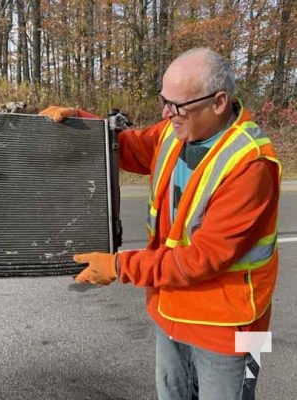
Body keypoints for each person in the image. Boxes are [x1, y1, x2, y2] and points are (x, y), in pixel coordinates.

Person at [39, 47, 281, 400]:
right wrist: (83, 123)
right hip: (171, 308)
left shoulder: (251, 164)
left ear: (219, 102)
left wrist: (119, 266)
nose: (167, 113)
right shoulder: (176, 128)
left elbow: (203, 258)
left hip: (232, 326)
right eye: (164, 101)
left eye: (177, 105)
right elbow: (133, 146)